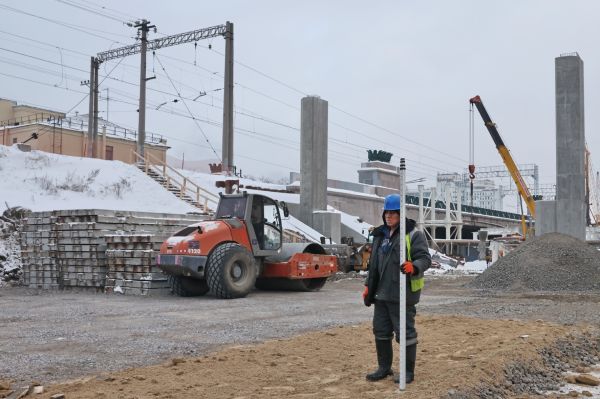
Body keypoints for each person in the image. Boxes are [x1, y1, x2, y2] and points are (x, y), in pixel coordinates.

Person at [362, 193, 431, 384]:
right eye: (387, 213)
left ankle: (408, 372)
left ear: (401, 213)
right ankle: (384, 368)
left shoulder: (413, 234)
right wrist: (368, 286)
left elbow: (425, 258)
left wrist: (414, 266)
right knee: (380, 331)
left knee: (406, 333)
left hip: (402, 294)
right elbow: (374, 265)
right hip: (381, 294)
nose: (389, 216)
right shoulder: (380, 235)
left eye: (393, 213)